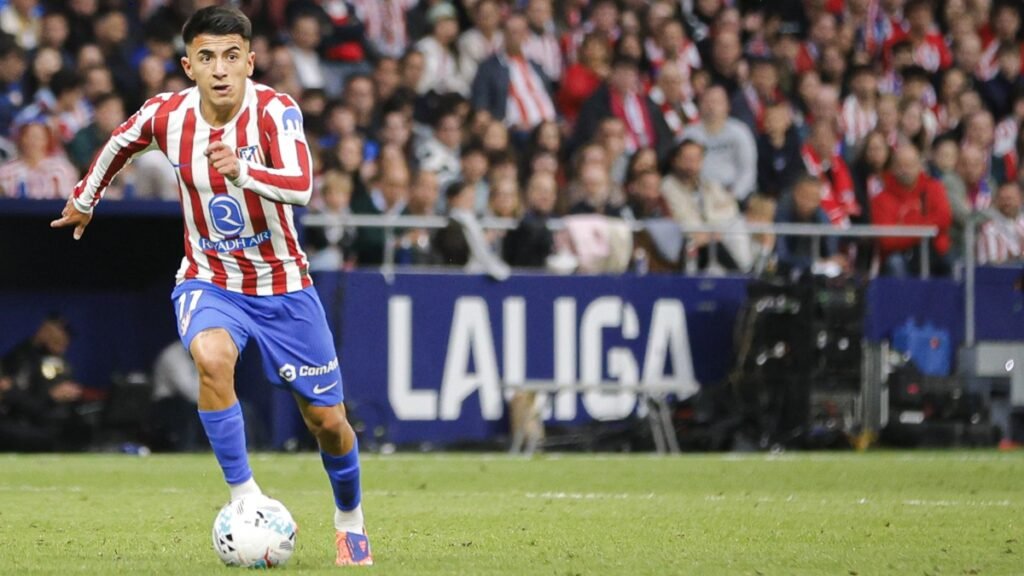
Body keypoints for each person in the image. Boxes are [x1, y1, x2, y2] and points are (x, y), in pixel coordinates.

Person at [49, 7, 372, 566]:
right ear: (188, 66)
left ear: (250, 61)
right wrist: (85, 197)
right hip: (210, 278)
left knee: (328, 422)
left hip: (283, 286)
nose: (219, 69)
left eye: (230, 56)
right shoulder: (168, 115)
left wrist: (243, 171)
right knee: (212, 358)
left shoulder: (275, 110)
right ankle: (244, 496)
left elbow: (301, 184)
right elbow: (120, 142)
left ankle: (350, 519)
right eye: (206, 57)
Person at [977, 181, 1024, 265]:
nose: (1006, 203)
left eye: (1010, 198)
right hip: (996, 272)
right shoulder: (989, 229)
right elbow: (993, 264)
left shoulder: (1022, 223)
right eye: (1002, 199)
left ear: (1020, 199)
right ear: (996, 201)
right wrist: (1016, 257)